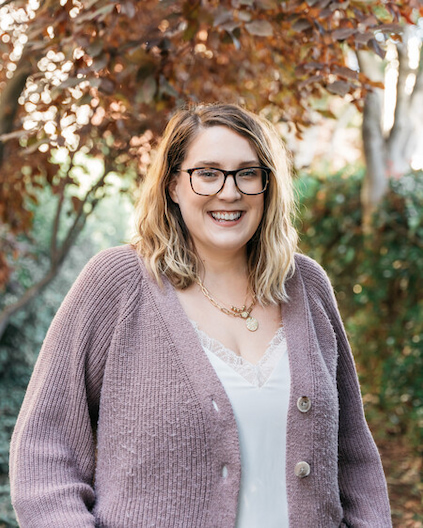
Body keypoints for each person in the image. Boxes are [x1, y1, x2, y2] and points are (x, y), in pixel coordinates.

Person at [10, 103, 391, 528]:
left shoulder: (306, 285)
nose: (229, 192)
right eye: (207, 172)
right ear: (174, 184)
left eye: (248, 173)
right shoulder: (117, 283)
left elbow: (355, 460)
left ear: (268, 186)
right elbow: (44, 455)